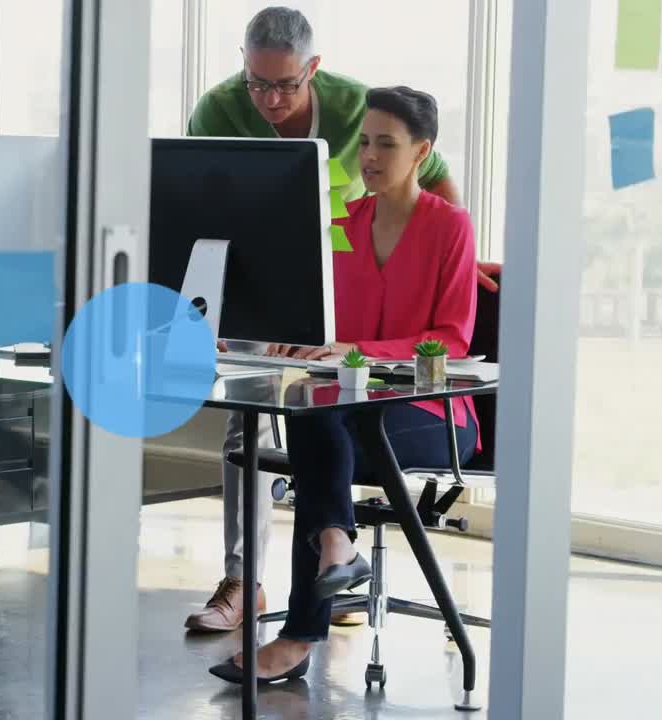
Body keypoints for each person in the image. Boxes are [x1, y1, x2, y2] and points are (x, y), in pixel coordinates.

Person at [183, 5, 493, 633]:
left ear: (313, 72)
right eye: (257, 83)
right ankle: (323, 560)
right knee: (306, 416)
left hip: (424, 406)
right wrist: (303, 343)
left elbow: (450, 333)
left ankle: (307, 618)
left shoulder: (429, 206)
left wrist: (450, 249)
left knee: (321, 431)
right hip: (281, 306)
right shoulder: (343, 229)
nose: (270, 98)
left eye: (286, 84)